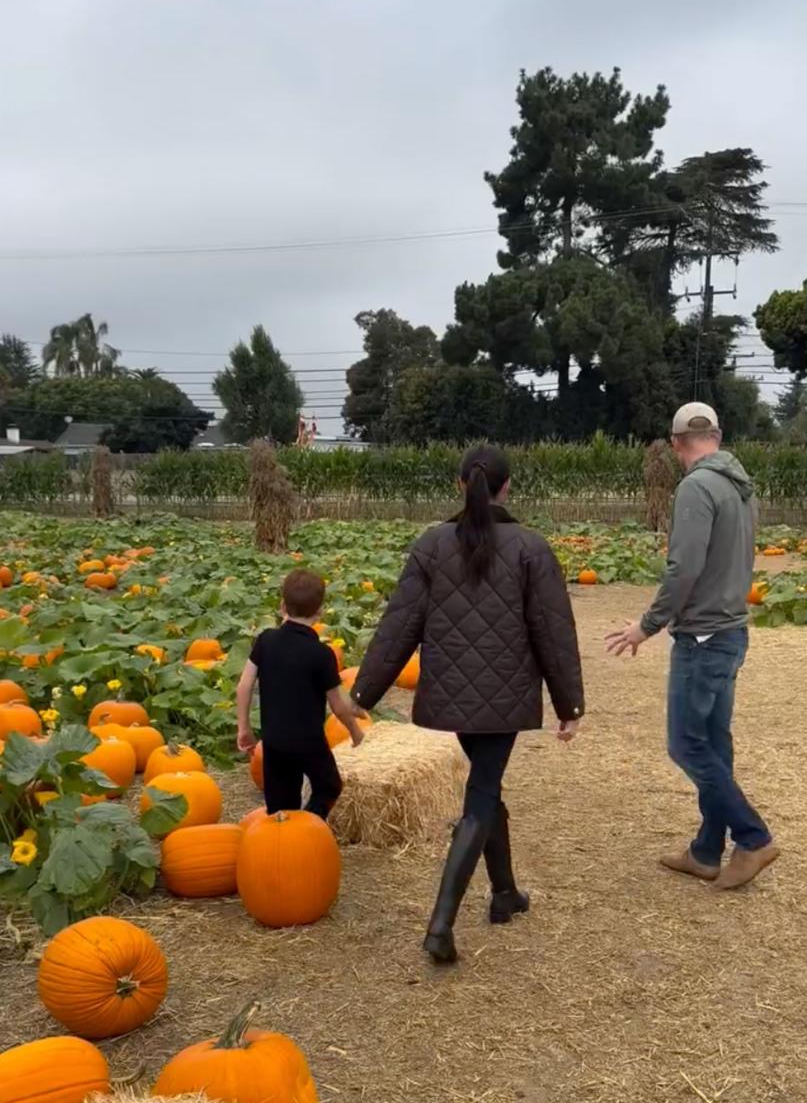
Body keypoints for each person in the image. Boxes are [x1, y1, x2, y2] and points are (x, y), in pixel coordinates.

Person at [349, 445, 584, 964]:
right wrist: (569, 703)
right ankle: (440, 924)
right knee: (481, 795)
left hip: (452, 696)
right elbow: (554, 632)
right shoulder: (531, 547)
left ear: (460, 486)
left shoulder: (432, 545)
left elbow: (399, 625)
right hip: (505, 697)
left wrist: (365, 691)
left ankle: (504, 893)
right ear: (507, 488)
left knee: (486, 785)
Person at [606, 402, 778, 888]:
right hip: (731, 631)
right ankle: (706, 852)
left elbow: (684, 568)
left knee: (685, 744)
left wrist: (648, 624)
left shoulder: (697, 486)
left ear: (679, 443)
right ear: (717, 436)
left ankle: (753, 838)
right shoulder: (742, 487)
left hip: (702, 637)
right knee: (714, 745)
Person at [236, 568, 364, 820]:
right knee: (329, 787)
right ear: (320, 612)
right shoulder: (322, 654)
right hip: (309, 743)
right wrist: (355, 731)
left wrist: (244, 727)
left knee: (281, 809)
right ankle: (310, 824)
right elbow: (338, 705)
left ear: (282, 605)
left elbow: (244, 685)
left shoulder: (265, 640)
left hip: (273, 741)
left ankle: (288, 840)